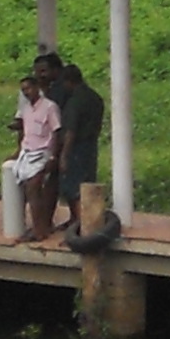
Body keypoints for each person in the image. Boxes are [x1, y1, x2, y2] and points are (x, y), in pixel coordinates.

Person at [3, 67, 62, 241]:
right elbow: (23, 129)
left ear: (37, 87)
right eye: (23, 90)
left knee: (33, 188)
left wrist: (53, 156)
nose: (26, 93)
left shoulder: (50, 107)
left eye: (28, 88)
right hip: (27, 152)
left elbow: (57, 132)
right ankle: (36, 227)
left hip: (42, 153)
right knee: (28, 191)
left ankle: (39, 230)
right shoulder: (26, 109)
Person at [50, 53, 105, 236]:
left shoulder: (75, 101)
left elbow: (70, 131)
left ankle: (81, 224)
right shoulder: (95, 98)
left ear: (68, 82)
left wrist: (64, 156)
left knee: (73, 187)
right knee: (88, 183)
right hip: (91, 145)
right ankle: (80, 221)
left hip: (76, 147)